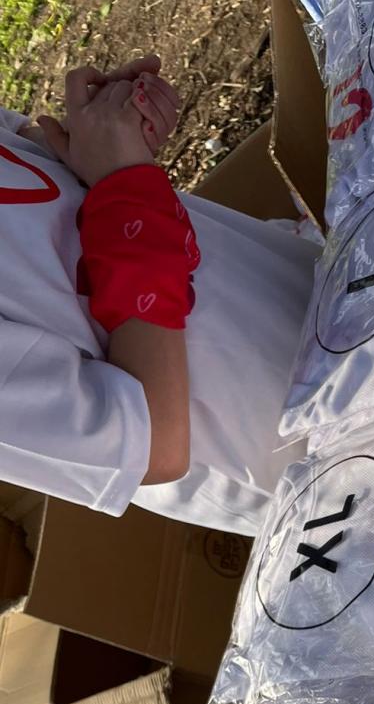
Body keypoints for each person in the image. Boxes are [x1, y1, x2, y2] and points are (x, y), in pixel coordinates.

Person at [0, 54, 317, 535]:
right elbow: (154, 445)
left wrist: (107, 128)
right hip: (302, 434)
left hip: (301, 290)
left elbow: (33, 153)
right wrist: (126, 188)